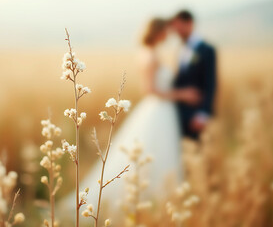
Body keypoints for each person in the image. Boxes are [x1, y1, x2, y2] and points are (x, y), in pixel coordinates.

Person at [60, 18, 200, 212]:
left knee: (158, 151)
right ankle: (149, 198)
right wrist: (182, 94)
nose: (168, 35)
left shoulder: (151, 52)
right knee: (153, 150)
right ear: (158, 32)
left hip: (162, 110)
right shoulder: (151, 56)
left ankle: (159, 198)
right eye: (165, 31)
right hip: (158, 109)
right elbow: (150, 89)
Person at [171, 10, 217, 140]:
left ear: (190, 23)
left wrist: (203, 114)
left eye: (179, 27)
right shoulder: (179, 48)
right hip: (178, 114)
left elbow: (211, 82)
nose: (177, 32)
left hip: (196, 115)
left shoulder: (207, 50)